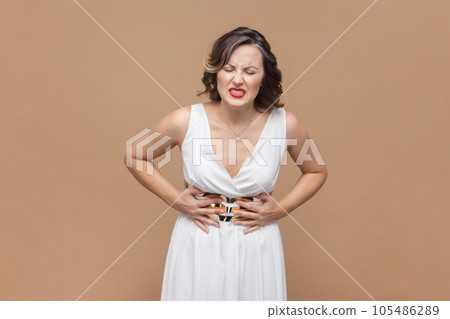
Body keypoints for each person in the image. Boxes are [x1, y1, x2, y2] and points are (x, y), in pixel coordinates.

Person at [124, 26, 327, 301]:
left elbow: (316, 171)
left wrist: (281, 209)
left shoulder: (285, 124)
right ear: (216, 73)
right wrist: (175, 198)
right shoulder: (185, 120)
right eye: (229, 68)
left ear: (264, 78)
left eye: (250, 71)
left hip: (258, 246)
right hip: (197, 242)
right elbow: (135, 154)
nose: (238, 80)